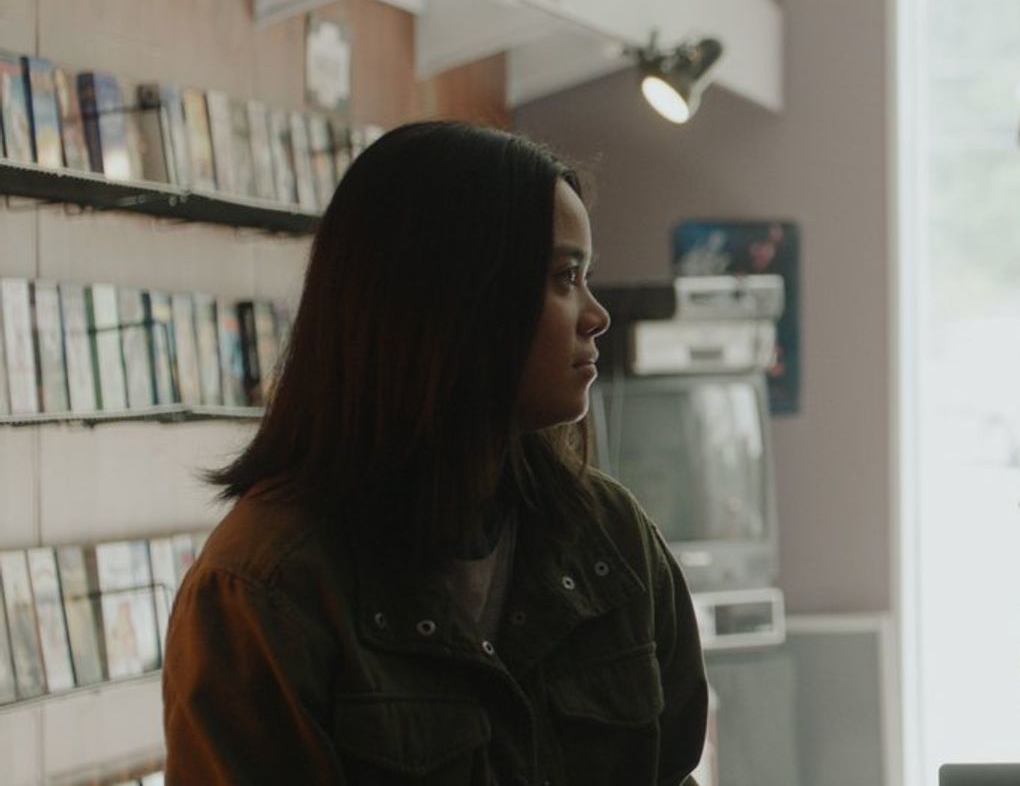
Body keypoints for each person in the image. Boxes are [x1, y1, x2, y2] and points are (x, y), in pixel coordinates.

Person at [162, 121, 707, 785]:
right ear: (459, 295)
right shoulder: (266, 587)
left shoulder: (611, 539)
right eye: (565, 276)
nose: (596, 315)